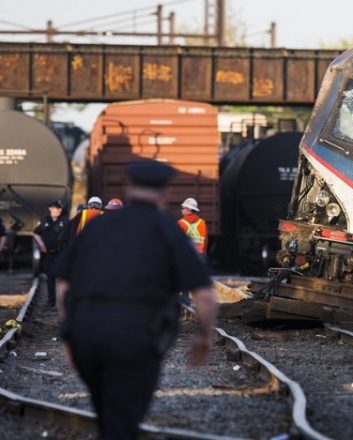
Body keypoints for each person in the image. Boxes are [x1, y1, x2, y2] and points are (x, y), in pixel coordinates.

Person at [55, 159, 217, 439]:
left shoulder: (97, 226)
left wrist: (67, 332)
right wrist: (205, 336)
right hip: (138, 334)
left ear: (128, 188)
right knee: (125, 417)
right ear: (165, 193)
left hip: (87, 333)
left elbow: (63, 285)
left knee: (106, 410)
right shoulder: (168, 230)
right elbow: (204, 293)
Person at [32, 200, 68, 307]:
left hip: (61, 254)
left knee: (61, 278)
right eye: (51, 208)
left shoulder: (65, 221)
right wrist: (41, 244)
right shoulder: (45, 220)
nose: (52, 210)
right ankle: (51, 301)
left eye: (54, 208)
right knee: (50, 277)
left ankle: (62, 302)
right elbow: (35, 233)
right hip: (49, 254)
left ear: (60, 210)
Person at [177, 197, 208, 306]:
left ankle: (186, 303)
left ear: (189, 209)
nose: (182, 209)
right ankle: (202, 304)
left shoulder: (181, 223)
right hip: (200, 255)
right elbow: (205, 240)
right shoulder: (202, 223)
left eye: (183, 208)